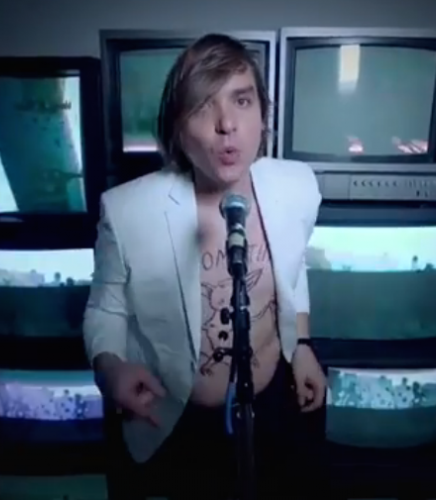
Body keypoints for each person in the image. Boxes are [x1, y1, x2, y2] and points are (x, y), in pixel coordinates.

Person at [84, 33, 326, 500]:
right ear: (176, 128)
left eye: (242, 100)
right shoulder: (127, 211)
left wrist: (303, 345)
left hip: (274, 404)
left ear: (263, 114)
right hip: (178, 419)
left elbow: (293, 271)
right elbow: (105, 309)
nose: (227, 125)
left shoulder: (298, 186)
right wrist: (110, 369)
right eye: (202, 106)